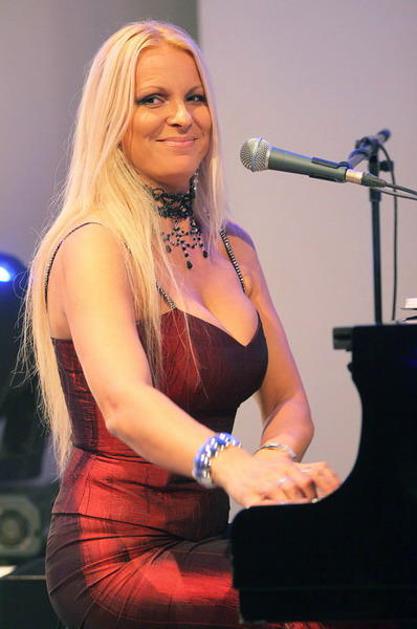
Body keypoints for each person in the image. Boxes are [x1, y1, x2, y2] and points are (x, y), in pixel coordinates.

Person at [24, 20, 339, 629]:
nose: (182, 117)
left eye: (195, 97)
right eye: (153, 99)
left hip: (212, 538)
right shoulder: (95, 243)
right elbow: (126, 405)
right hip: (115, 556)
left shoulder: (234, 247)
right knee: (313, 610)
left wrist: (274, 460)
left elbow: (289, 400)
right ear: (112, 120)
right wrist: (234, 464)